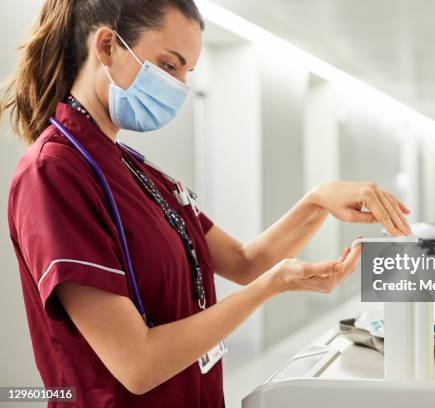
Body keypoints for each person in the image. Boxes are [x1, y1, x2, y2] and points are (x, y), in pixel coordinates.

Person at [0, 0, 412, 406]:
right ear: (107, 46)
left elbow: (246, 262)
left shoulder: (137, 172)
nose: (177, 87)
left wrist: (318, 201)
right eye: (168, 65)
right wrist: (274, 286)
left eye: (187, 72)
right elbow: (137, 363)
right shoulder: (53, 174)